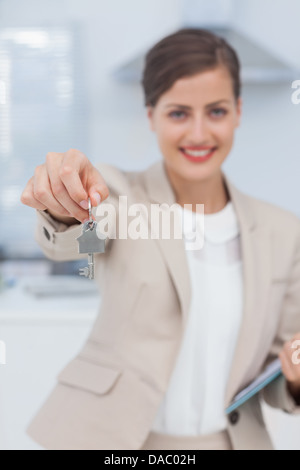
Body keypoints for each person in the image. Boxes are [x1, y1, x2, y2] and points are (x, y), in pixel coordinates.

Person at [20, 28, 300, 450]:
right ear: (150, 115)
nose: (200, 133)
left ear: (239, 111)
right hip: (122, 445)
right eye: (178, 113)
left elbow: (276, 377)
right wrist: (66, 207)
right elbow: (80, 243)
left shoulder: (284, 232)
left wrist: (294, 376)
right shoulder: (118, 196)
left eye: (217, 111)